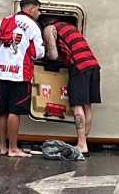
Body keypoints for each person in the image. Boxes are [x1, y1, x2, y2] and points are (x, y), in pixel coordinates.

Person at [0, 0, 45, 157]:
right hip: (20, 73)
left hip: (2, 71)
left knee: (3, 111)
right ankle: (13, 148)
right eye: (38, 9)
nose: (39, 12)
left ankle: (2, 146)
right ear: (30, 9)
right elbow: (37, 53)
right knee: (14, 111)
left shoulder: (3, 21)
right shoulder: (32, 26)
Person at [43, 14, 101, 154]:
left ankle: (82, 144)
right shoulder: (71, 28)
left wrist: (45, 54)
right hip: (93, 65)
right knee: (87, 106)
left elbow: (54, 55)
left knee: (77, 106)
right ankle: (83, 141)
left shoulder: (50, 28)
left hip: (79, 67)